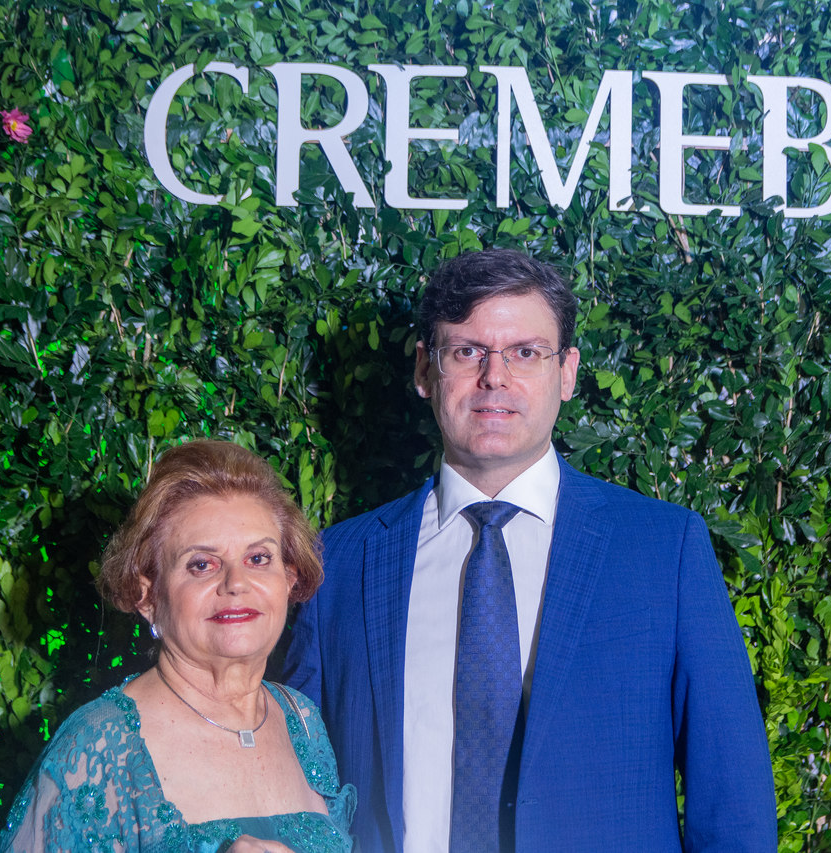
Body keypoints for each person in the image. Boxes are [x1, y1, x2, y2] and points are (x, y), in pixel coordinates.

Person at [277, 248, 777, 852]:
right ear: (425, 370)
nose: (495, 377)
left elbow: (734, 808)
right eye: (467, 352)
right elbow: (292, 786)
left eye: (525, 352)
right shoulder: (341, 563)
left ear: (567, 372)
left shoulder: (663, 550)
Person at [1, 440, 355, 853]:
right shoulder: (99, 746)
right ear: (147, 597)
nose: (236, 583)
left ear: (289, 579)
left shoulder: (302, 720)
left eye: (259, 559)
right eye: (201, 564)